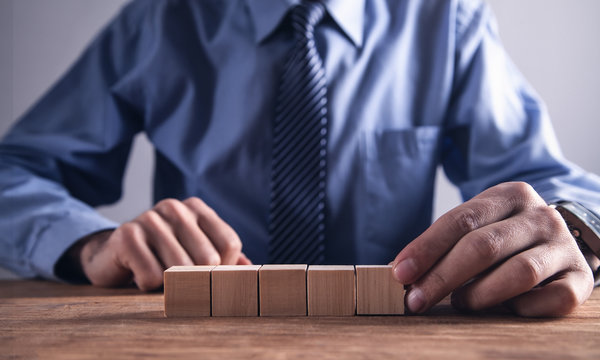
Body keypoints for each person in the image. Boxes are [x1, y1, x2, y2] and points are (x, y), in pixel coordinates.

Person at [1, 0, 599, 317]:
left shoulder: (447, 19)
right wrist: (90, 244)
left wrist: (573, 226)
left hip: (393, 337)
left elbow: (549, 185)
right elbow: (13, 174)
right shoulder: (161, 19)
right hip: (192, 338)